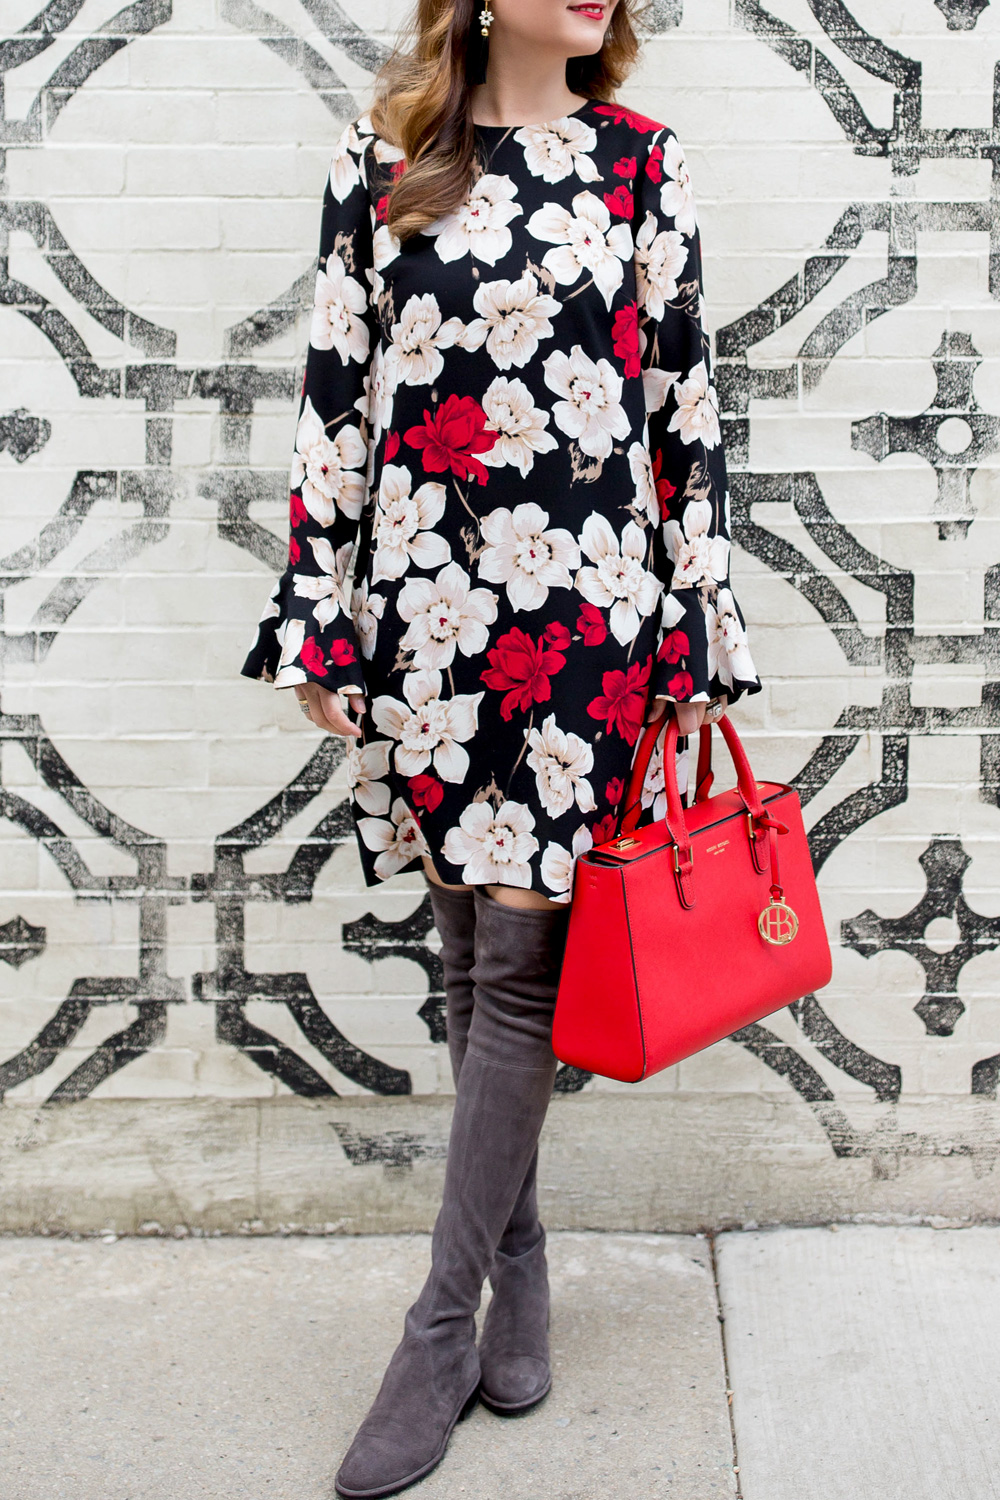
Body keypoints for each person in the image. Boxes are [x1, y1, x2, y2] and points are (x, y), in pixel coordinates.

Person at [242, 0, 761, 1488]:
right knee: (470, 961)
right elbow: (335, 408)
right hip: (428, 607)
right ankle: (522, 1260)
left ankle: (436, 1330)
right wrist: (315, 615)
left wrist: (696, 625)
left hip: (586, 614)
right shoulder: (388, 159)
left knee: (519, 965)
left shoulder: (639, 166)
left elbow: (682, 415)